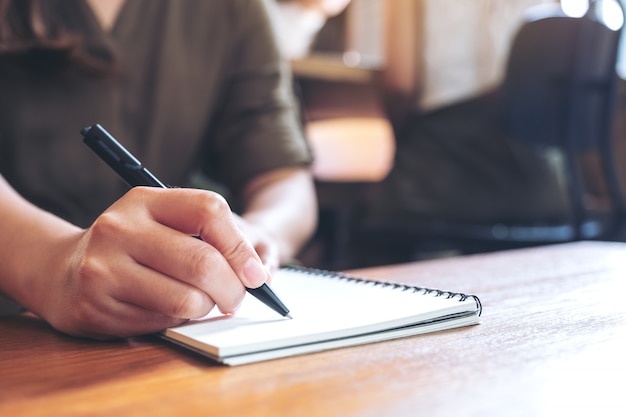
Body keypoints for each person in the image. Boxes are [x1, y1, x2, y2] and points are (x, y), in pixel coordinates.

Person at [0, 0, 317, 338]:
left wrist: (260, 234)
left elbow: (284, 180)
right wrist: (51, 266)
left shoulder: (236, 9)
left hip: (168, 328)